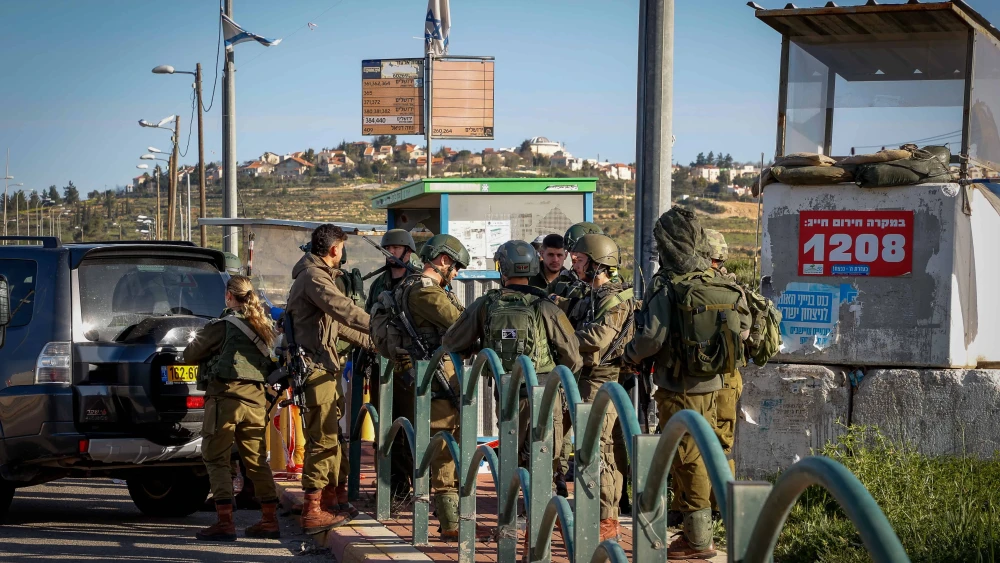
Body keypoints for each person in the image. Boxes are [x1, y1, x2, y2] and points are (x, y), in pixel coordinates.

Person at [623, 208, 749, 559]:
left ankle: (697, 540)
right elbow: (746, 327)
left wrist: (630, 356)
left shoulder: (667, 284)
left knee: (688, 457)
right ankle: (723, 523)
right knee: (719, 451)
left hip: (682, 388)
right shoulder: (719, 279)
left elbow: (652, 339)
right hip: (725, 383)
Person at [443, 240, 582, 478]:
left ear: (503, 268)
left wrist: (479, 347)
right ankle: (542, 510)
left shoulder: (487, 302)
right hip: (545, 391)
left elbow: (452, 341)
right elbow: (573, 356)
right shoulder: (545, 304)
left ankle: (510, 509)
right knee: (544, 456)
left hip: (508, 391)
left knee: (511, 455)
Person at [285, 224, 374, 534]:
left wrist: (379, 342)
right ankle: (312, 510)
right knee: (322, 442)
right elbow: (345, 311)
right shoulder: (313, 277)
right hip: (316, 369)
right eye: (342, 248)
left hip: (324, 368)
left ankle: (331, 501)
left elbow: (338, 327)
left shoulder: (316, 276)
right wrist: (378, 324)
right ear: (335, 249)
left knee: (332, 439)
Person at [380, 233, 469, 539]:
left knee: (445, 444)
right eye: (454, 266)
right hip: (436, 380)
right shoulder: (425, 292)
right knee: (444, 447)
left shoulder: (412, 286)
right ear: (443, 260)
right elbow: (460, 324)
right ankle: (451, 524)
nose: (455, 273)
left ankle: (452, 518)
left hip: (432, 378)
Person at [184, 275, 280, 542]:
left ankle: (225, 523)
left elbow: (190, 355)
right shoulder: (263, 326)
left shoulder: (223, 325)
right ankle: (270, 520)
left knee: (216, 458)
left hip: (226, 400)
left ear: (229, 296)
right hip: (256, 403)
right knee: (256, 461)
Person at [564, 234, 636, 542]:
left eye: (579, 261)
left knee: (600, 448)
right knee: (584, 447)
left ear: (598, 264)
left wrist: (560, 338)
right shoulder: (588, 294)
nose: (573, 266)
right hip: (583, 376)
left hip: (602, 379)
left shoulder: (614, 298)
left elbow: (597, 339)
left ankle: (607, 518)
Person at [364, 229, 418, 500]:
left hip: (411, 363)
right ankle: (393, 485)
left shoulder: (419, 281)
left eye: (397, 248)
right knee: (385, 425)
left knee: (411, 424)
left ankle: (416, 482)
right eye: (388, 248)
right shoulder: (378, 284)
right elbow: (367, 319)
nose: (391, 253)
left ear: (408, 251)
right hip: (382, 362)